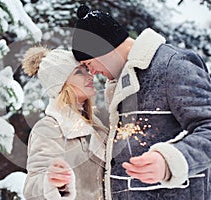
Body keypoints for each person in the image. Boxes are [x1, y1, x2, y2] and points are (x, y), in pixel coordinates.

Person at [71, 5, 211, 200]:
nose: (91, 72)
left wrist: (170, 161)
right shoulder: (123, 81)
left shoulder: (174, 66)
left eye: (88, 64)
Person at [21, 46, 108, 199]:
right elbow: (32, 187)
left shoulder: (96, 126)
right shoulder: (49, 128)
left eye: (87, 70)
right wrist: (51, 182)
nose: (90, 76)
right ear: (61, 84)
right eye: (79, 72)